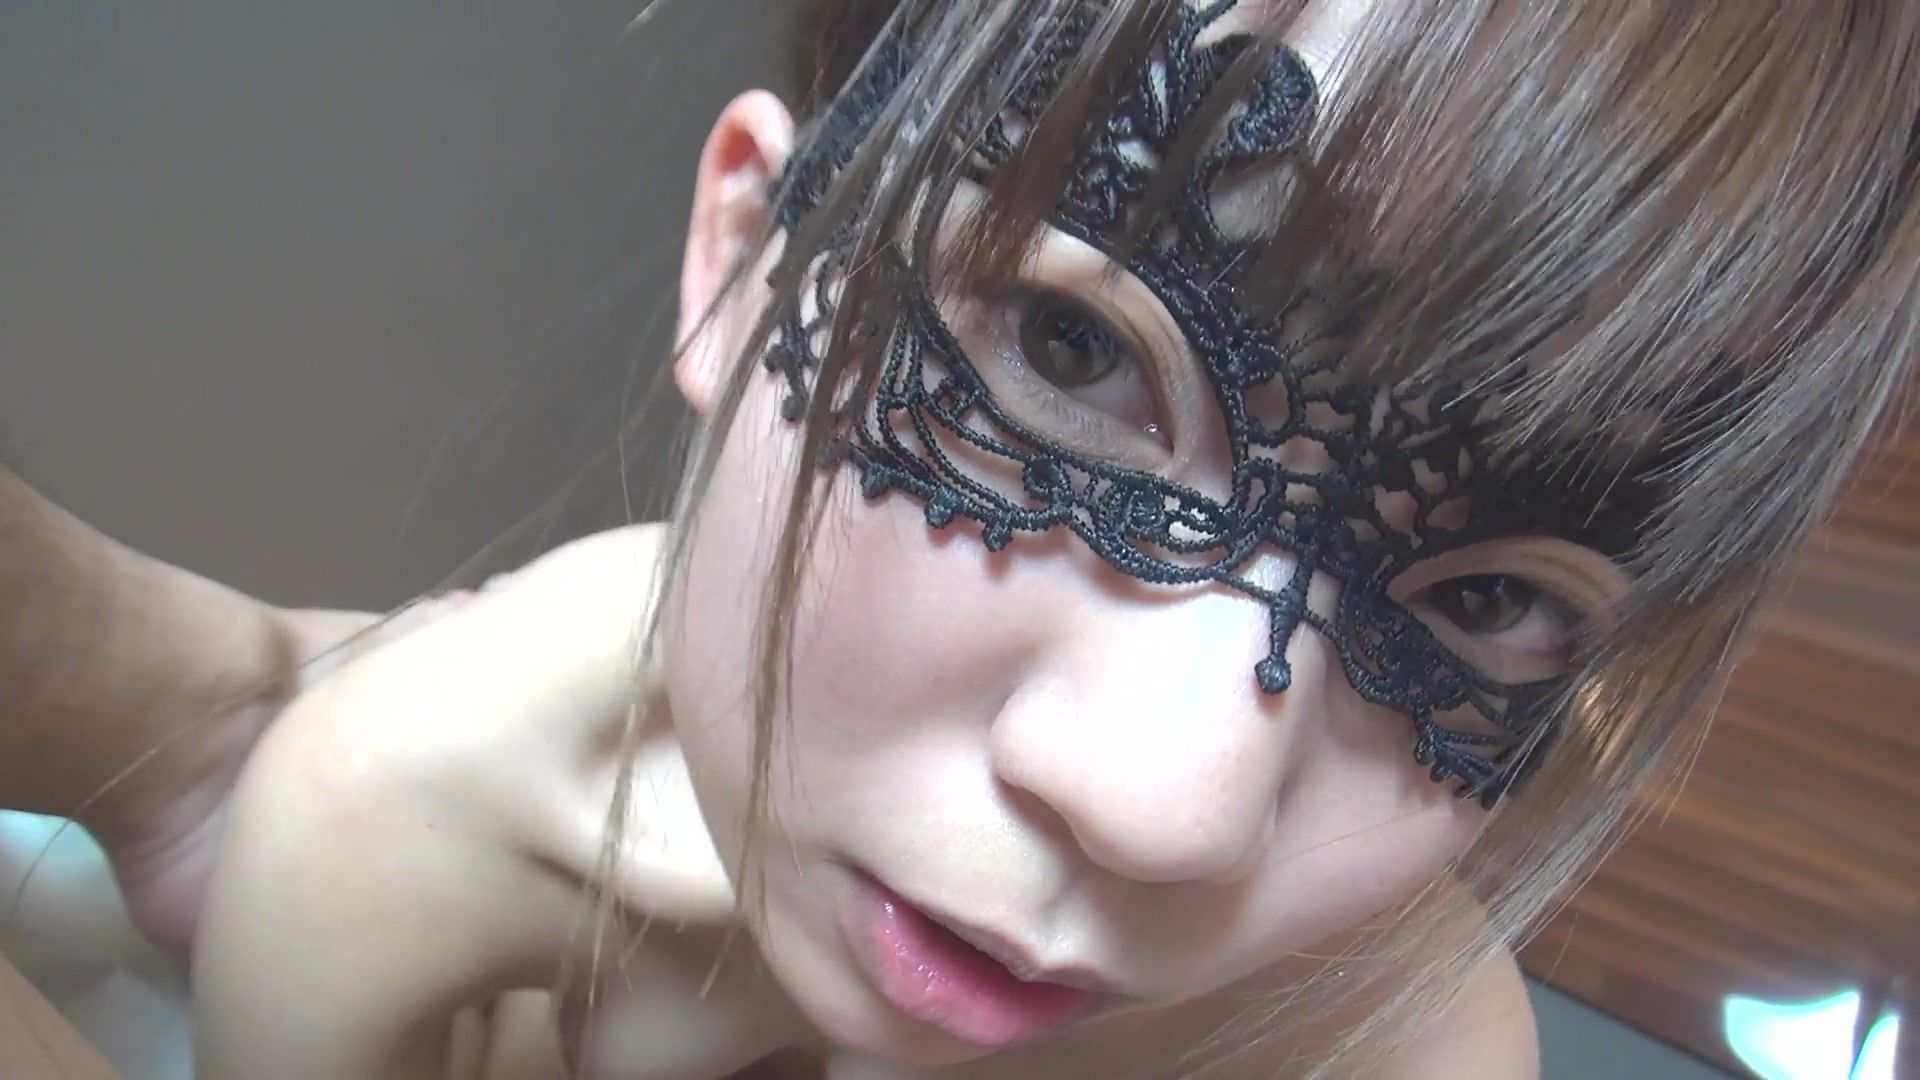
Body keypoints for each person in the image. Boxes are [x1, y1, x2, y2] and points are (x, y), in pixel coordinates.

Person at [173, 0, 1920, 1076]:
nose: (1174, 808)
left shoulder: (1397, 1056)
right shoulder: (387, 822)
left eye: (1485, 598)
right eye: (1074, 353)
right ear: (748, 254)